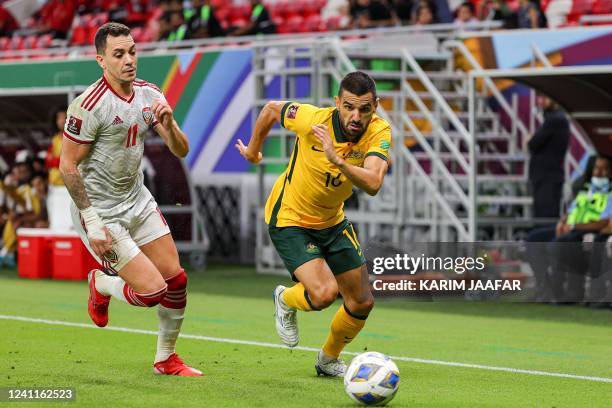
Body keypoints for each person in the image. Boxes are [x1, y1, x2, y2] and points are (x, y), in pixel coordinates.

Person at [59, 22, 200, 376]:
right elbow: (67, 166)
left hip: (137, 200)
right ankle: (101, 282)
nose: (129, 60)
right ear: (101, 60)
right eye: (119, 54)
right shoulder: (89, 105)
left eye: (132, 51)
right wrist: (92, 222)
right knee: (152, 292)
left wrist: (171, 126)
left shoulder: (150, 94)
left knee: (177, 281)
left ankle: (166, 359)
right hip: (101, 211)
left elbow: (180, 150)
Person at [235, 71, 392, 377]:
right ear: (337, 103)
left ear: (376, 105)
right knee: (322, 295)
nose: (356, 116)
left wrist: (340, 161)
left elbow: (373, 183)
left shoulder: (380, 131)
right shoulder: (312, 119)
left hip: (332, 221)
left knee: (361, 302)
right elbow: (270, 109)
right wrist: (253, 150)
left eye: (364, 109)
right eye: (348, 107)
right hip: (290, 217)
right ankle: (285, 297)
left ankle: (328, 360)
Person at [528, 95, 570, 220]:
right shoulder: (555, 119)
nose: (540, 101)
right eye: (539, 97)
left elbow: (532, 144)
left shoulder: (555, 120)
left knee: (545, 219)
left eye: (544, 97)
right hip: (546, 178)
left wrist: (530, 140)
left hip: (548, 179)